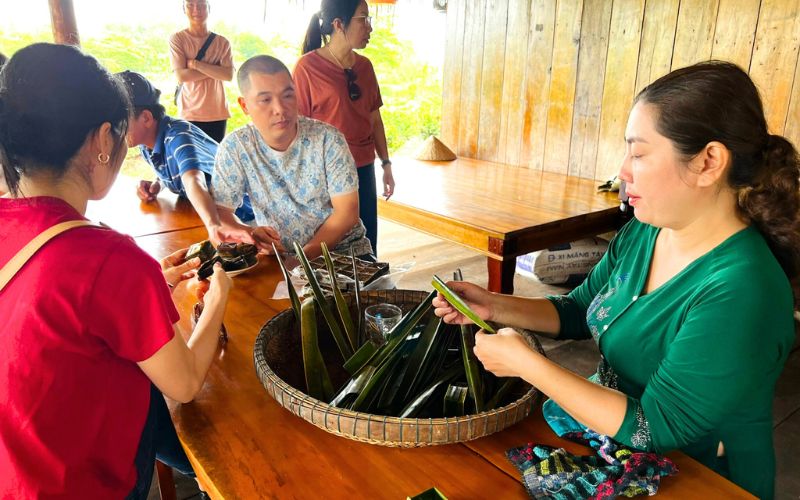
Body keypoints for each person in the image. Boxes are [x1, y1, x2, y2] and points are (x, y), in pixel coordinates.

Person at [433, 61, 799, 500]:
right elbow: (582, 310)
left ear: (708, 162)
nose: (623, 171)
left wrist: (529, 366)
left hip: (700, 477)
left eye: (639, 153)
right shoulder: (647, 230)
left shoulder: (742, 290)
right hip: (616, 450)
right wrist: (493, 305)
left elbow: (658, 426)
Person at [0, 43, 232, 499]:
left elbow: (55, 310)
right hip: (81, 482)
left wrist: (149, 283)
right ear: (102, 139)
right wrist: (219, 296)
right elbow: (184, 383)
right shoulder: (107, 257)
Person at [208, 55, 372, 263]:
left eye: (287, 95)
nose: (280, 109)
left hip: (346, 255)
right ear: (244, 106)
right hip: (280, 259)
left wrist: (303, 258)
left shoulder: (327, 139)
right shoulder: (236, 147)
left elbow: (347, 212)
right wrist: (246, 232)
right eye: (265, 100)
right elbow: (221, 209)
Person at [295, 0, 394, 255]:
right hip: (326, 174)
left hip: (363, 167)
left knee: (367, 242)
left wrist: (386, 164)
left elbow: (374, 119)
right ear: (339, 24)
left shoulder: (365, 67)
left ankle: (370, 293)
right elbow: (298, 129)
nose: (369, 27)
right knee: (333, 244)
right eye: (363, 19)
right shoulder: (307, 68)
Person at [117, 70, 253, 227]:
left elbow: (193, 178)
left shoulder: (178, 136)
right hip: (215, 217)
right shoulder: (146, 145)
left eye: (119, 122)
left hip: (245, 217)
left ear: (146, 118)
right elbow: (178, 169)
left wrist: (213, 226)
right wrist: (158, 183)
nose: (113, 130)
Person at [169, 0, 233, 142]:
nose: (196, 10)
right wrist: (216, 70)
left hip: (218, 113)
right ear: (184, 9)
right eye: (190, 5)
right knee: (193, 161)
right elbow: (181, 76)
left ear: (209, 8)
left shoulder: (222, 42)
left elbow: (228, 75)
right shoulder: (178, 39)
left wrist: (196, 64)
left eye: (201, 5)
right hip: (190, 113)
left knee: (214, 160)